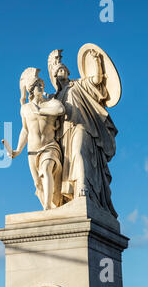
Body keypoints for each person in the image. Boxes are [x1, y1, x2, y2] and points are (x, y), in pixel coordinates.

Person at [47, 49, 118, 217]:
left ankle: (82, 188)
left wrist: (97, 62)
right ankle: (69, 196)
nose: (61, 74)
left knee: (78, 153)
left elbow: (96, 80)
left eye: (63, 70)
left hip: (81, 127)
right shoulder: (54, 98)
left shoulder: (78, 85)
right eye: (57, 72)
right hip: (63, 136)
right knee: (66, 164)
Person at [10, 68, 65, 210]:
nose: (41, 87)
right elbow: (25, 130)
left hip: (49, 146)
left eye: (42, 85)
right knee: (38, 184)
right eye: (38, 85)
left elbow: (61, 110)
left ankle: (47, 207)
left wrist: (41, 111)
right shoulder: (25, 109)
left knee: (46, 169)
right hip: (32, 150)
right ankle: (49, 205)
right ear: (31, 90)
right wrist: (17, 150)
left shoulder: (50, 103)